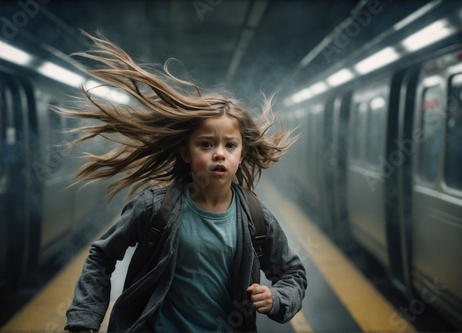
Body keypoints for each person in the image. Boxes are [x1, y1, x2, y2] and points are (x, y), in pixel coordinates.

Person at [63, 33, 307, 333]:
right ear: (185, 153)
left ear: (242, 154)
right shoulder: (155, 208)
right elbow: (102, 254)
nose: (219, 153)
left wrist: (278, 298)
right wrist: (84, 320)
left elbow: (292, 273)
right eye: (206, 144)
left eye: (230, 145)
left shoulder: (256, 218)